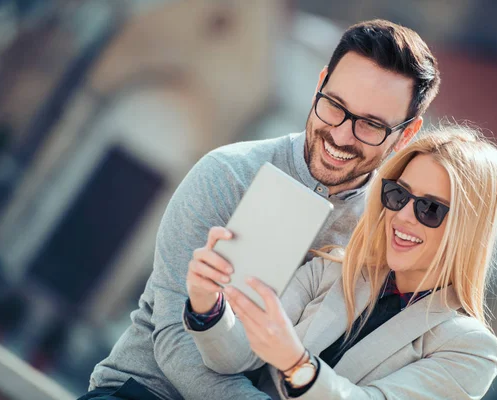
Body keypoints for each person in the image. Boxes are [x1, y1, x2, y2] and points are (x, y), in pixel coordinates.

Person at [82, 19, 441, 400]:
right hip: (145, 392)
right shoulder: (228, 173)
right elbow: (174, 339)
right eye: (334, 106)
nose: (340, 135)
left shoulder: (387, 233)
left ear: (405, 134)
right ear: (319, 84)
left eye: (370, 126)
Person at [186, 126, 497, 399]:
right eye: (398, 195)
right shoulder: (333, 269)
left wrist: (297, 364)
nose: (403, 216)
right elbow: (236, 356)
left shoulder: (471, 349)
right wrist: (208, 304)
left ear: (467, 229)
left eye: (430, 209)